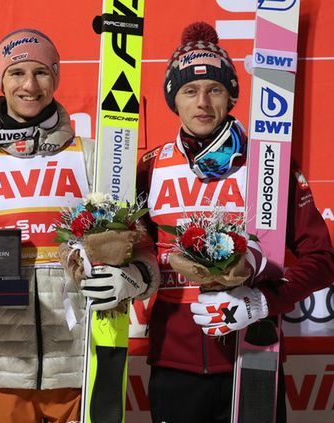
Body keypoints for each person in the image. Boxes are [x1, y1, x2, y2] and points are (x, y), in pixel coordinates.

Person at [0, 28, 160, 423]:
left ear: (56, 76)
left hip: (82, 364)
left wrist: (134, 280)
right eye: (17, 73)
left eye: (42, 72)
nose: (30, 85)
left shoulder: (94, 158)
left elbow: (142, 252)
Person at [137, 22, 334, 423]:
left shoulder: (268, 165)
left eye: (215, 89)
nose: (203, 102)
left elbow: (322, 259)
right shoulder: (151, 167)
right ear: (174, 100)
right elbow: (135, 249)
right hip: (174, 366)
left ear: (232, 96)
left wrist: (265, 300)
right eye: (190, 91)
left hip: (255, 355)